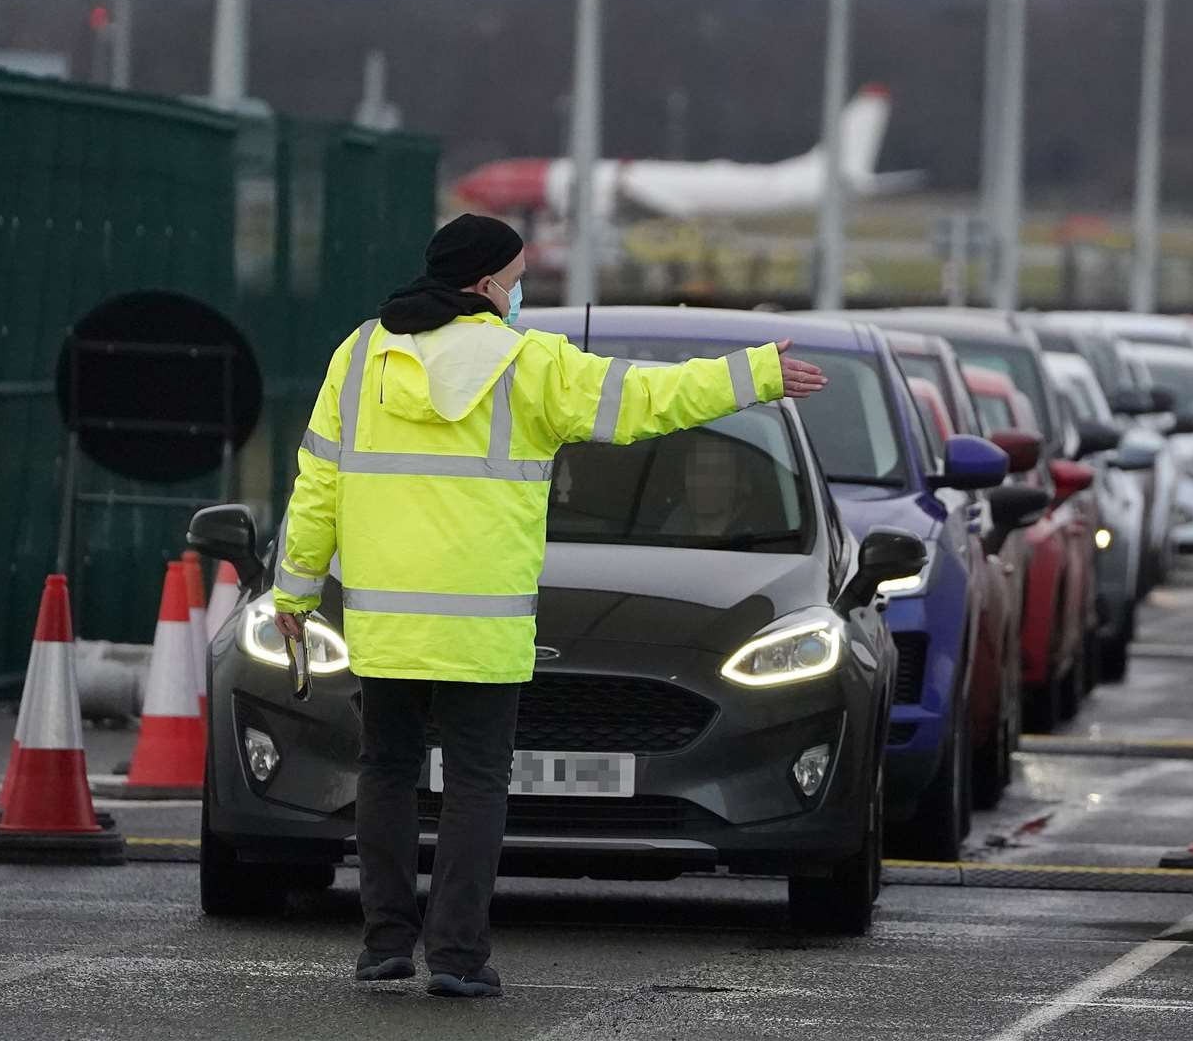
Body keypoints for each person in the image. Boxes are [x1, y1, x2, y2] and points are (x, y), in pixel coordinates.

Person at [271, 213, 826, 998]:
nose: (522, 287)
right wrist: (754, 374)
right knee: (472, 784)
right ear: (490, 282)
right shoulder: (529, 362)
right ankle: (458, 959)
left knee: (386, 773)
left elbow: (318, 483)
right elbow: (644, 400)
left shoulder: (360, 356)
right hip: (483, 626)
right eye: (519, 273)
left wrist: (294, 592)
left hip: (385, 621)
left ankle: (384, 945)